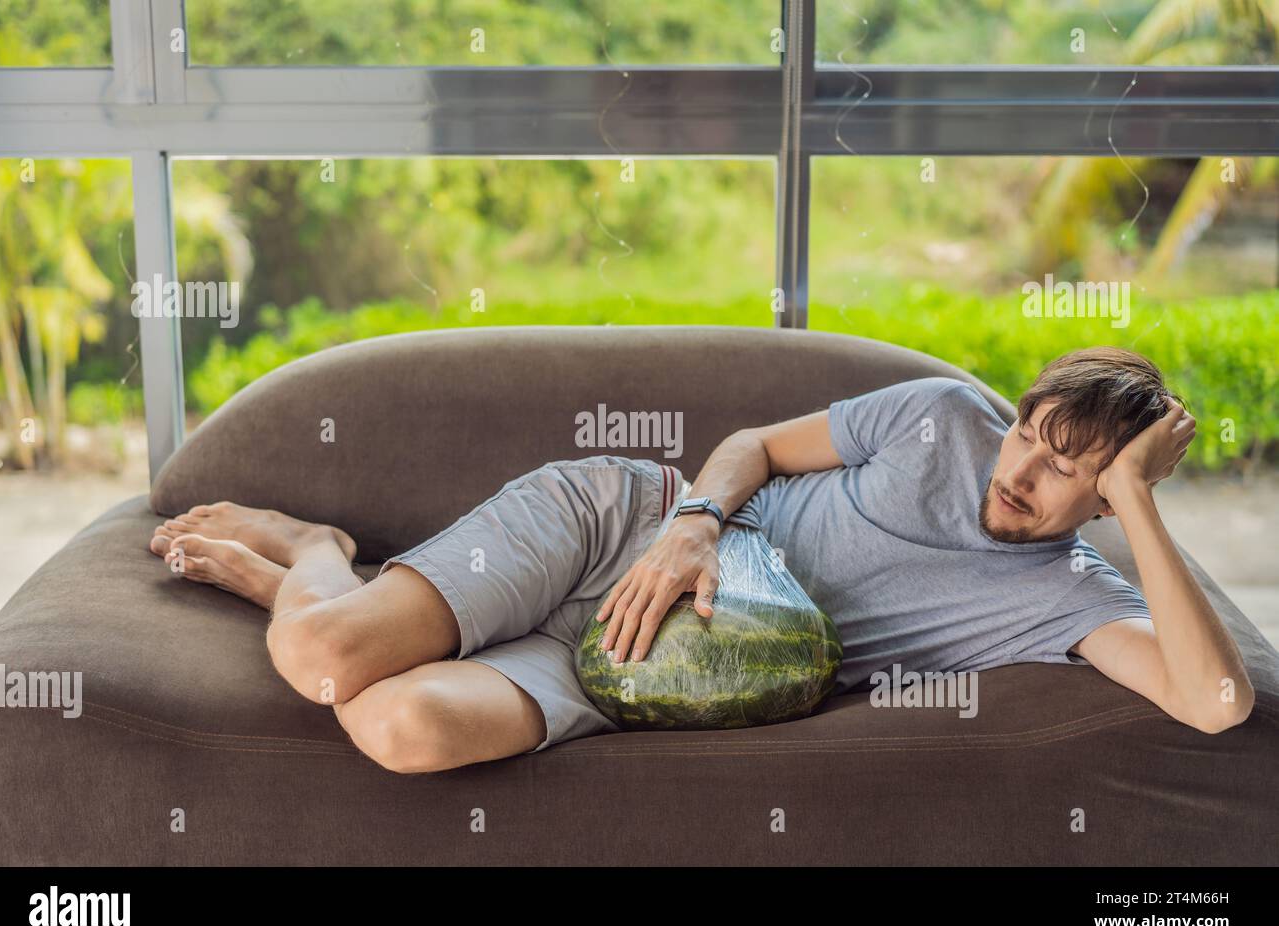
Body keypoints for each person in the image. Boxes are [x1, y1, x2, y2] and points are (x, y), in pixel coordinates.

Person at [148, 346, 1255, 773]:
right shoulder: (940, 413)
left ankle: (322, 584)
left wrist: (1136, 506)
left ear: (1108, 490)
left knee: (394, 723)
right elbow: (759, 446)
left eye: (1068, 468)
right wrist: (693, 520)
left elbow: (1213, 701)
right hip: (616, 524)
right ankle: (317, 548)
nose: (1018, 468)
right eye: (1026, 429)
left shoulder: (1063, 595)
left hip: (633, 662)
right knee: (333, 656)